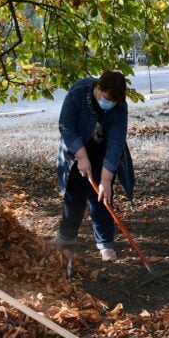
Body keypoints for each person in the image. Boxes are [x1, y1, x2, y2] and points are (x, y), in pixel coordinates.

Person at [52, 71, 135, 262]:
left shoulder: (119, 105)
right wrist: (81, 156)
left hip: (103, 151)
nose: (110, 104)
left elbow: (116, 141)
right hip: (76, 148)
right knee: (73, 193)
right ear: (98, 88)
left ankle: (105, 243)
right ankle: (67, 236)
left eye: (113, 101)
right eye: (106, 99)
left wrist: (106, 180)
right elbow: (66, 125)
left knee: (102, 197)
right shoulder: (78, 92)